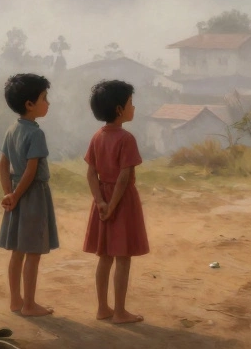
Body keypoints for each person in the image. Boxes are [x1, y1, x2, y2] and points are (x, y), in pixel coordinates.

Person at [83, 79, 149, 324]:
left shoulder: (97, 137)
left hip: (102, 201)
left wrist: (100, 201)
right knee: (122, 257)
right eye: (131, 103)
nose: (134, 107)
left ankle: (103, 308)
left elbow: (91, 173)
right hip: (122, 204)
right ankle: (120, 311)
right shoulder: (126, 138)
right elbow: (123, 177)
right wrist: (112, 207)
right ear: (120, 109)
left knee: (105, 256)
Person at [0, 73, 59, 316]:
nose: (48, 102)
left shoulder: (12, 130)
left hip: (16, 195)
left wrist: (8, 194)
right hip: (32, 196)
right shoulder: (35, 133)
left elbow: (2, 165)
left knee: (18, 251)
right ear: (29, 104)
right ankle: (30, 305)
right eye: (44, 97)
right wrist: (17, 194)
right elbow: (32, 171)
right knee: (33, 252)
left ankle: (15, 301)